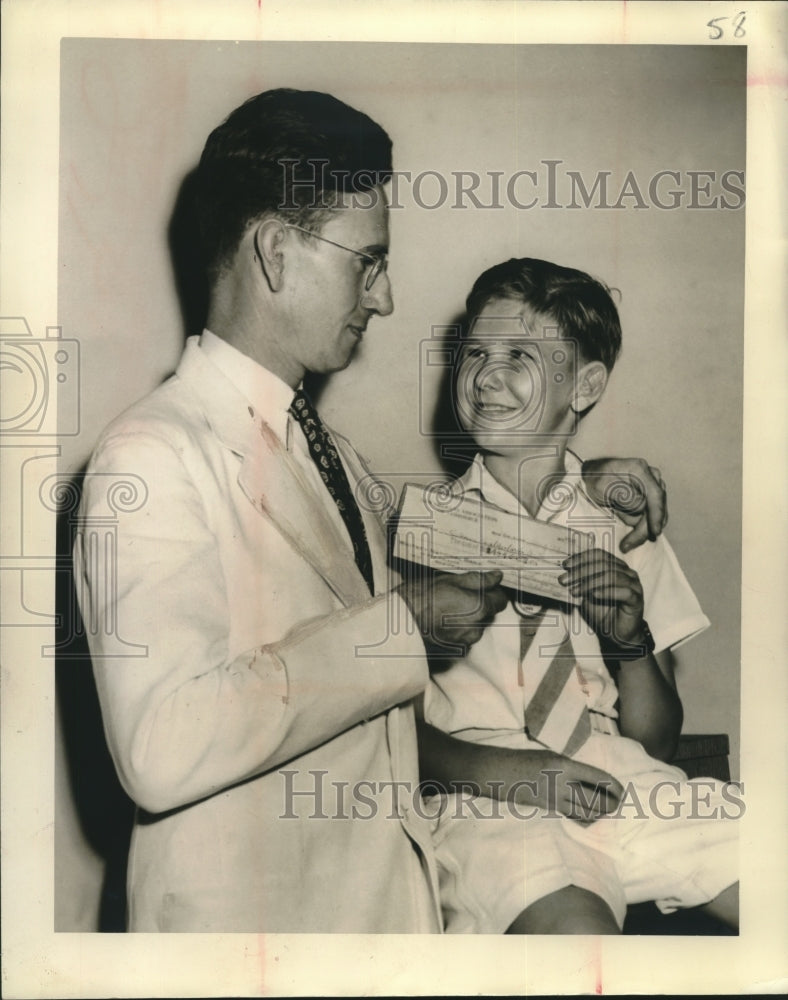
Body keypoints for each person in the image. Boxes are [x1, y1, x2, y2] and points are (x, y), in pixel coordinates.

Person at [73, 89, 669, 933]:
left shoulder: (339, 463)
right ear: (276, 252)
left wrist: (581, 475)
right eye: (368, 261)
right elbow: (160, 748)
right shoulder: (151, 454)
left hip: (383, 923)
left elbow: (468, 542)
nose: (384, 298)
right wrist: (403, 630)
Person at [418, 257, 739, 935]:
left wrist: (630, 641)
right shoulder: (417, 533)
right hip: (489, 799)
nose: (486, 375)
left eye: (520, 356)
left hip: (617, 775)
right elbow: (384, 731)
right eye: (474, 352)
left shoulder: (624, 526)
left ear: (586, 385)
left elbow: (655, 741)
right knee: (578, 937)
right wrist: (513, 775)